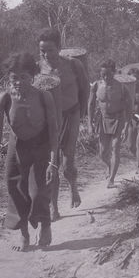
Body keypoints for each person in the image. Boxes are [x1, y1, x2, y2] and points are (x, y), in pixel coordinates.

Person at [0, 52, 59, 251]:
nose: (18, 82)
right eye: (14, 78)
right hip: (16, 148)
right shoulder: (5, 99)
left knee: (38, 192)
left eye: (24, 77)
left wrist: (54, 161)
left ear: (33, 77)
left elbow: (54, 130)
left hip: (40, 147)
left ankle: (45, 225)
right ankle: (25, 234)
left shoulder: (44, 97)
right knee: (15, 191)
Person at [38, 28, 89, 218]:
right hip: (49, 120)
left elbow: (85, 90)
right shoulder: (38, 68)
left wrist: (83, 116)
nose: (46, 54)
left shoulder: (74, 65)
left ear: (59, 48)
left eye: (50, 50)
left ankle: (74, 187)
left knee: (68, 161)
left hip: (71, 115)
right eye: (42, 50)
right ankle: (54, 207)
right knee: (52, 163)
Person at [88, 60, 131, 188]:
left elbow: (129, 107)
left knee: (115, 147)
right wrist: (90, 124)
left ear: (113, 72)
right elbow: (90, 105)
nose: (106, 77)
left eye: (108, 74)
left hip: (119, 118)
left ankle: (111, 179)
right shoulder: (96, 86)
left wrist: (127, 126)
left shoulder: (122, 87)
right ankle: (109, 166)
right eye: (103, 74)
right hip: (103, 119)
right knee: (102, 153)